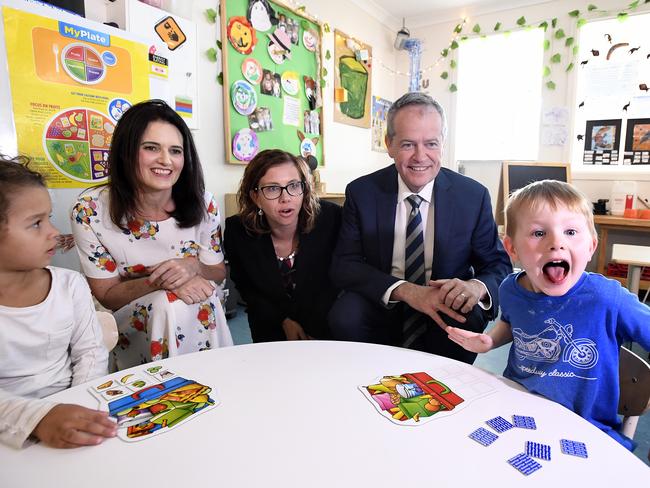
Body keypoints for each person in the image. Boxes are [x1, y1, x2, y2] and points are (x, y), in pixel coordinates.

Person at [447, 180, 650, 450]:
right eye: (539, 233)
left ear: (590, 246)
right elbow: (511, 321)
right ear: (513, 249)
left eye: (570, 232)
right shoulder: (510, 288)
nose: (556, 243)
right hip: (517, 410)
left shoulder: (606, 297)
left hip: (586, 426)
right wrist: (491, 341)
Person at [329, 92, 511, 363]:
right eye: (407, 144)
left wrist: (475, 286)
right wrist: (408, 291)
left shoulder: (472, 196)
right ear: (389, 144)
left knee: (467, 314)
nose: (420, 156)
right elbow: (345, 264)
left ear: (442, 145)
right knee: (344, 315)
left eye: (431, 144)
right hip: (387, 298)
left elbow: (498, 266)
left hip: (445, 304)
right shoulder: (362, 192)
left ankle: (451, 388)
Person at [71, 100, 233, 371]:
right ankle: (162, 387)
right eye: (151, 148)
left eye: (175, 151)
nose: (166, 161)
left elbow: (217, 272)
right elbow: (108, 294)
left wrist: (192, 266)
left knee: (195, 298)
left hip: (197, 307)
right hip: (133, 317)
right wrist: (164, 282)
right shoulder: (90, 210)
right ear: (127, 151)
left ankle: (216, 376)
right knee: (168, 302)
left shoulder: (203, 203)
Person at [0, 157, 115, 449]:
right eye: (36, 223)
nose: (53, 231)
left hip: (75, 408)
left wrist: (75, 407)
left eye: (49, 217)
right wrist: (40, 418)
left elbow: (91, 353)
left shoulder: (69, 285)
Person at [224, 149, 341, 342]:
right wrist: (283, 320)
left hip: (324, 323)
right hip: (269, 322)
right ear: (255, 197)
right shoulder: (238, 231)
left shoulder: (331, 219)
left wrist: (312, 329)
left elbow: (334, 284)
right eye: (272, 188)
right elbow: (248, 289)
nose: (285, 197)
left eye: (293, 186)